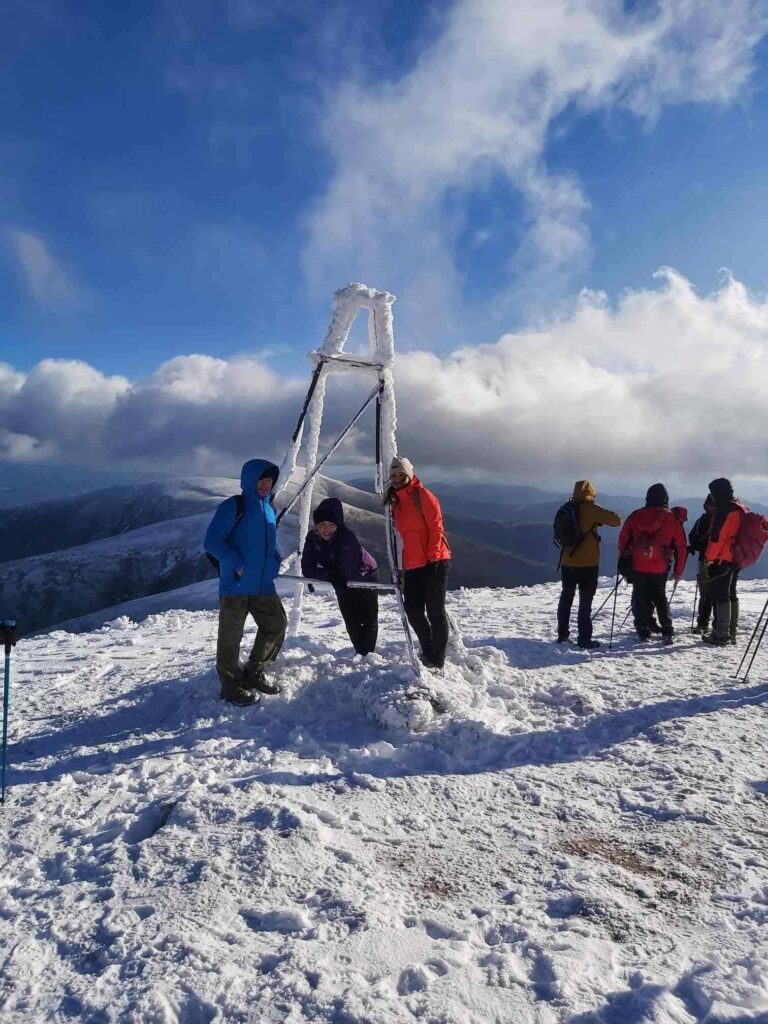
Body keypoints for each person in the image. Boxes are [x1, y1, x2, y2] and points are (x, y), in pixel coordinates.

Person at [204, 458, 287, 706]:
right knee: (231, 638)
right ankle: (229, 685)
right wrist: (237, 565)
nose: (266, 484)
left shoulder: (269, 508)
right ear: (249, 480)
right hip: (235, 585)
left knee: (276, 624)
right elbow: (212, 542)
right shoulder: (233, 506)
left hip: (262, 584)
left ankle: (254, 670)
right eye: (262, 479)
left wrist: (274, 561)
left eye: (270, 480)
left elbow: (269, 543)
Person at [385, 456, 451, 670]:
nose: (396, 478)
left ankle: (437, 659)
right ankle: (428, 648)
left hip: (435, 561)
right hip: (412, 563)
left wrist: (432, 556)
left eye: (400, 474)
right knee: (413, 609)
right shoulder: (396, 501)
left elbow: (436, 527)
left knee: (435, 612)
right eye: (393, 475)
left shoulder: (423, 496)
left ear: (408, 475)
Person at [301, 497, 379, 656]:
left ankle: (368, 654)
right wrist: (327, 574)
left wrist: (327, 574)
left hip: (365, 574)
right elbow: (307, 567)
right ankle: (361, 651)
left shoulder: (347, 538)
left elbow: (345, 571)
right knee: (351, 618)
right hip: (338, 577)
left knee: (368, 616)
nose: (326, 529)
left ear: (338, 525)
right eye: (322, 524)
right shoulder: (312, 538)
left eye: (331, 524)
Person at [618, 483, 687, 643]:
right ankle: (667, 629)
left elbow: (622, 540)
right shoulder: (671, 518)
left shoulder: (635, 516)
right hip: (660, 565)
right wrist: (678, 571)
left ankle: (643, 629)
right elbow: (681, 547)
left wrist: (624, 559)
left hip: (638, 563)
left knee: (641, 595)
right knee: (660, 596)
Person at [556, 481, 621, 649]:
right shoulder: (592, 509)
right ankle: (584, 638)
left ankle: (562, 635)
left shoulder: (566, 508)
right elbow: (616, 520)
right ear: (591, 493)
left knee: (566, 597)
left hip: (567, 561)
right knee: (585, 601)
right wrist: (595, 511)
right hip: (588, 564)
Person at [701, 477, 741, 646]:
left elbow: (717, 538)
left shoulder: (723, 509)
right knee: (730, 593)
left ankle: (720, 634)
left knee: (720, 594)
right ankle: (731, 631)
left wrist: (708, 560)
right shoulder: (738, 506)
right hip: (736, 556)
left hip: (721, 558)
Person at [688, 495, 716, 634]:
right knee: (712, 593)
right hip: (718, 560)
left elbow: (693, 537)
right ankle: (713, 625)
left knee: (706, 593)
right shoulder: (723, 520)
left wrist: (696, 546)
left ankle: (703, 623)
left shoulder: (702, 521)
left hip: (705, 559)